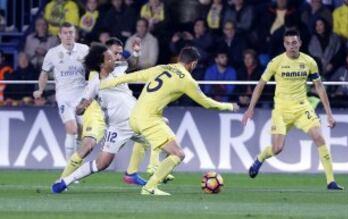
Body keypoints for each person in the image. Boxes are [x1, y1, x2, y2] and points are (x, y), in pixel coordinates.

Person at [99, 47, 240, 195]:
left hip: (134, 116)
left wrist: (100, 85)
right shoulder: (187, 79)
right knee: (178, 154)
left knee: (163, 133)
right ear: (193, 64)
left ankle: (152, 168)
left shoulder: (162, 67)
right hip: (149, 119)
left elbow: (131, 77)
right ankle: (150, 186)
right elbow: (207, 103)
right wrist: (229, 106)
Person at [242, 29, 343, 190]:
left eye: (294, 43)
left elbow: (319, 87)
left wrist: (329, 114)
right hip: (281, 110)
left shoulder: (309, 62)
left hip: (303, 108)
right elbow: (260, 85)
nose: (291, 46)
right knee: (277, 148)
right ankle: (260, 158)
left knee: (319, 137)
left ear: (300, 44)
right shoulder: (276, 62)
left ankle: (331, 181)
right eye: (288, 43)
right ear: (284, 45)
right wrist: (250, 109)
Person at [51, 43, 149, 193]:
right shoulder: (95, 83)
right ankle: (64, 181)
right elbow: (80, 107)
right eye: (109, 58)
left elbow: (134, 64)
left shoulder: (120, 69)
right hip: (117, 127)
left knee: (164, 140)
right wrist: (82, 107)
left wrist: (136, 53)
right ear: (101, 64)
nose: (114, 60)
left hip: (137, 120)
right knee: (102, 163)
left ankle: (149, 182)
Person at [33, 22, 89, 162]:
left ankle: (75, 163)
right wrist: (40, 89)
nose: (68, 35)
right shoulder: (52, 53)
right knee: (72, 129)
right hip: (64, 97)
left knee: (81, 131)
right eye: (65, 33)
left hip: (82, 96)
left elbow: (96, 67)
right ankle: (69, 168)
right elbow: (44, 73)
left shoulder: (84, 50)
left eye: (71, 32)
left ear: (75, 34)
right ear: (59, 35)